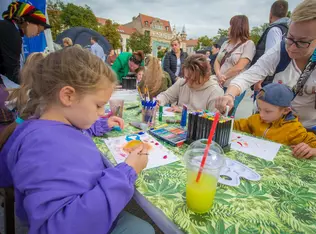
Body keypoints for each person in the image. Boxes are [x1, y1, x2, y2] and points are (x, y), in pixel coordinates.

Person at [0, 46, 154, 234]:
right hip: (84, 219)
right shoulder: (46, 148)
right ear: (68, 96)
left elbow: (75, 133)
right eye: (98, 105)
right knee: (143, 229)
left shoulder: (48, 124)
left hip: (88, 204)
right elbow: (60, 226)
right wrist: (127, 173)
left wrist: (101, 125)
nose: (101, 113)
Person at [216, 0, 316, 141]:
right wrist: (230, 95)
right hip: (272, 126)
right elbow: (249, 75)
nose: (292, 47)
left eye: (302, 42)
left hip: (309, 129)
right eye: (290, 38)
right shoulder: (280, 49)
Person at [234, 83, 316, 159]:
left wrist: (310, 150)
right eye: (259, 109)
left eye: (268, 111)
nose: (261, 114)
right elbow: (236, 125)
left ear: (285, 110)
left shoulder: (294, 129)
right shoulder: (256, 119)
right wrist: (221, 118)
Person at [0, 1, 51, 133]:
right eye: (39, 28)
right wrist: (35, 81)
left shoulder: (7, 28)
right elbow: (12, 70)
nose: (38, 33)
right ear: (29, 22)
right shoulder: (10, 32)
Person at [214, 15, 256, 116]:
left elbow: (239, 67)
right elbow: (217, 61)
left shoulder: (248, 44)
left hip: (234, 86)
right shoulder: (225, 43)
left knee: (227, 112)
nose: (229, 28)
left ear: (237, 27)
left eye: (231, 25)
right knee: (215, 112)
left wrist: (223, 77)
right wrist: (219, 74)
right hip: (219, 84)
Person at [157, 54, 224, 112]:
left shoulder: (215, 92)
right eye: (187, 77)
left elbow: (213, 118)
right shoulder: (182, 82)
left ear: (206, 76)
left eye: (194, 79)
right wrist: (158, 101)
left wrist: (185, 112)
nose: (189, 83)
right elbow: (166, 96)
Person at [252, 0, 289, 96]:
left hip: (267, 82)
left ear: (270, 14)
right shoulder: (287, 30)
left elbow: (270, 57)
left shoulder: (274, 30)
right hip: (279, 78)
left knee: (260, 109)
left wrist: (259, 80)